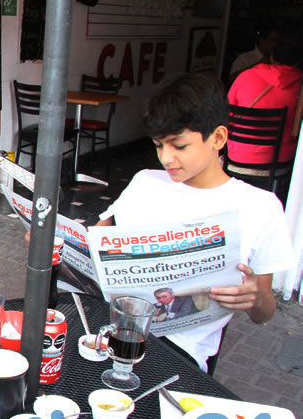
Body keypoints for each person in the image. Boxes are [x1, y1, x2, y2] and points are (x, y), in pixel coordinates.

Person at [97, 73, 293, 374]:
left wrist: (256, 297)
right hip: (109, 327)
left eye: (179, 146)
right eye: (159, 145)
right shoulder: (144, 183)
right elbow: (98, 236)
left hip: (178, 352)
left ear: (217, 138)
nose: (167, 158)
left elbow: (263, 314)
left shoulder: (260, 207)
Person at [227, 37, 302, 170]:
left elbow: (226, 112)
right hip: (279, 162)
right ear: (298, 61)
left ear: (272, 56)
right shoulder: (299, 85)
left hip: (236, 157)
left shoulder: (246, 76)